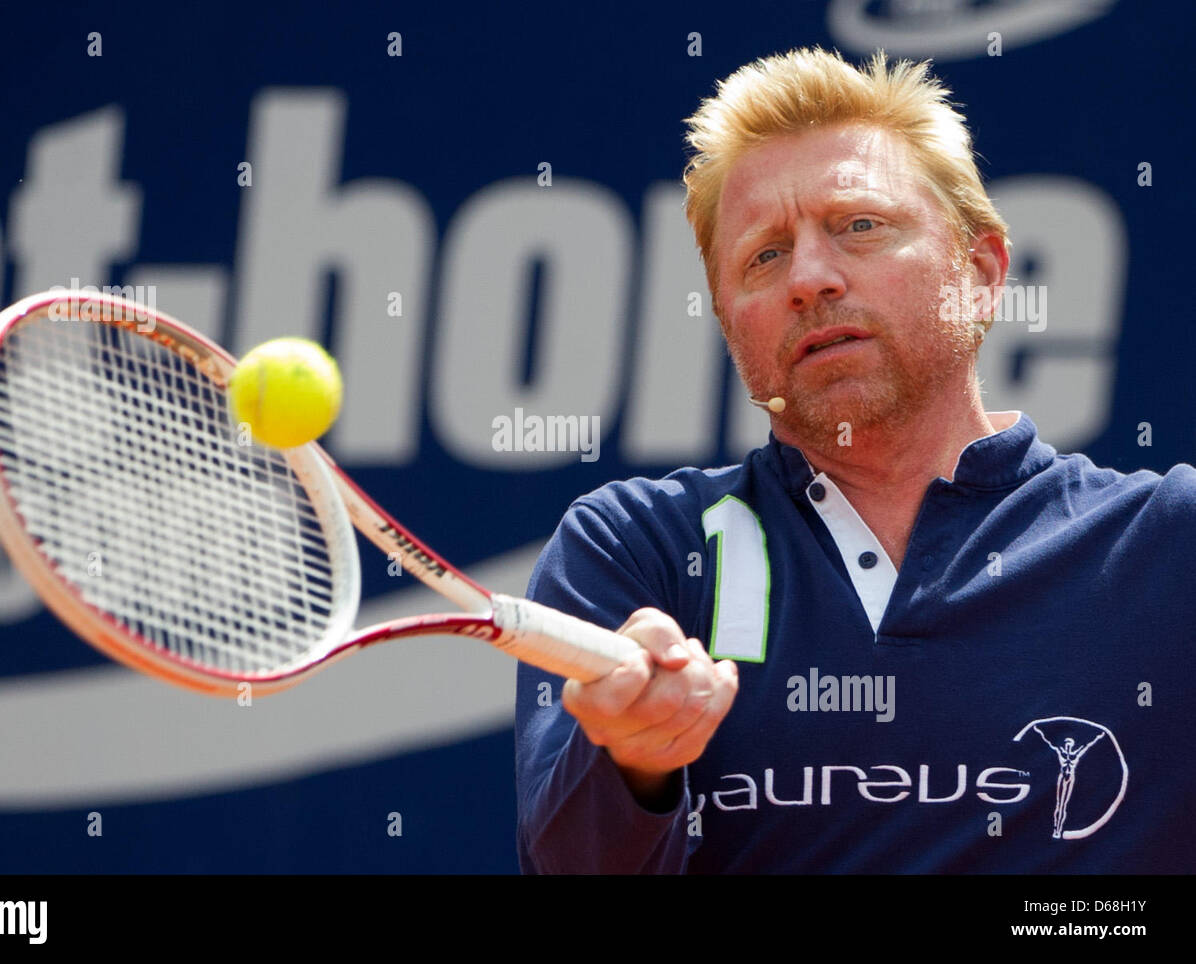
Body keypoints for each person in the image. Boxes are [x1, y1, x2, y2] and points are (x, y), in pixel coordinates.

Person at [513, 47, 1196, 873]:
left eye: (859, 226)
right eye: (763, 256)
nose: (808, 278)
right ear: (732, 323)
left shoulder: (1168, 544)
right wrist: (635, 759)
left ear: (978, 274)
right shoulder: (634, 548)